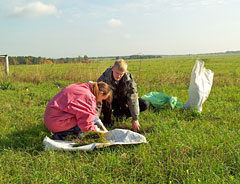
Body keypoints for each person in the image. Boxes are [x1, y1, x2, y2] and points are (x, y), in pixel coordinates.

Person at [44, 81, 112, 140]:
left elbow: (93, 113)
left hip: (52, 118)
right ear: (101, 93)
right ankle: (62, 135)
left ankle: (64, 132)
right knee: (82, 129)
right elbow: (87, 124)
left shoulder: (83, 88)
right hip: (56, 122)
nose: (101, 101)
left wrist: (103, 128)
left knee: (90, 119)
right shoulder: (87, 96)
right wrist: (99, 132)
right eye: (103, 99)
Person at [97, 59, 149, 132]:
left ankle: (121, 115)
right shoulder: (105, 77)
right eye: (117, 73)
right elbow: (98, 97)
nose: (119, 76)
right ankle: (107, 119)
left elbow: (133, 98)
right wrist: (95, 118)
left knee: (144, 104)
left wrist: (135, 119)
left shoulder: (129, 78)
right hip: (110, 101)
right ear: (113, 68)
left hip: (123, 101)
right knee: (105, 99)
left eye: (121, 74)